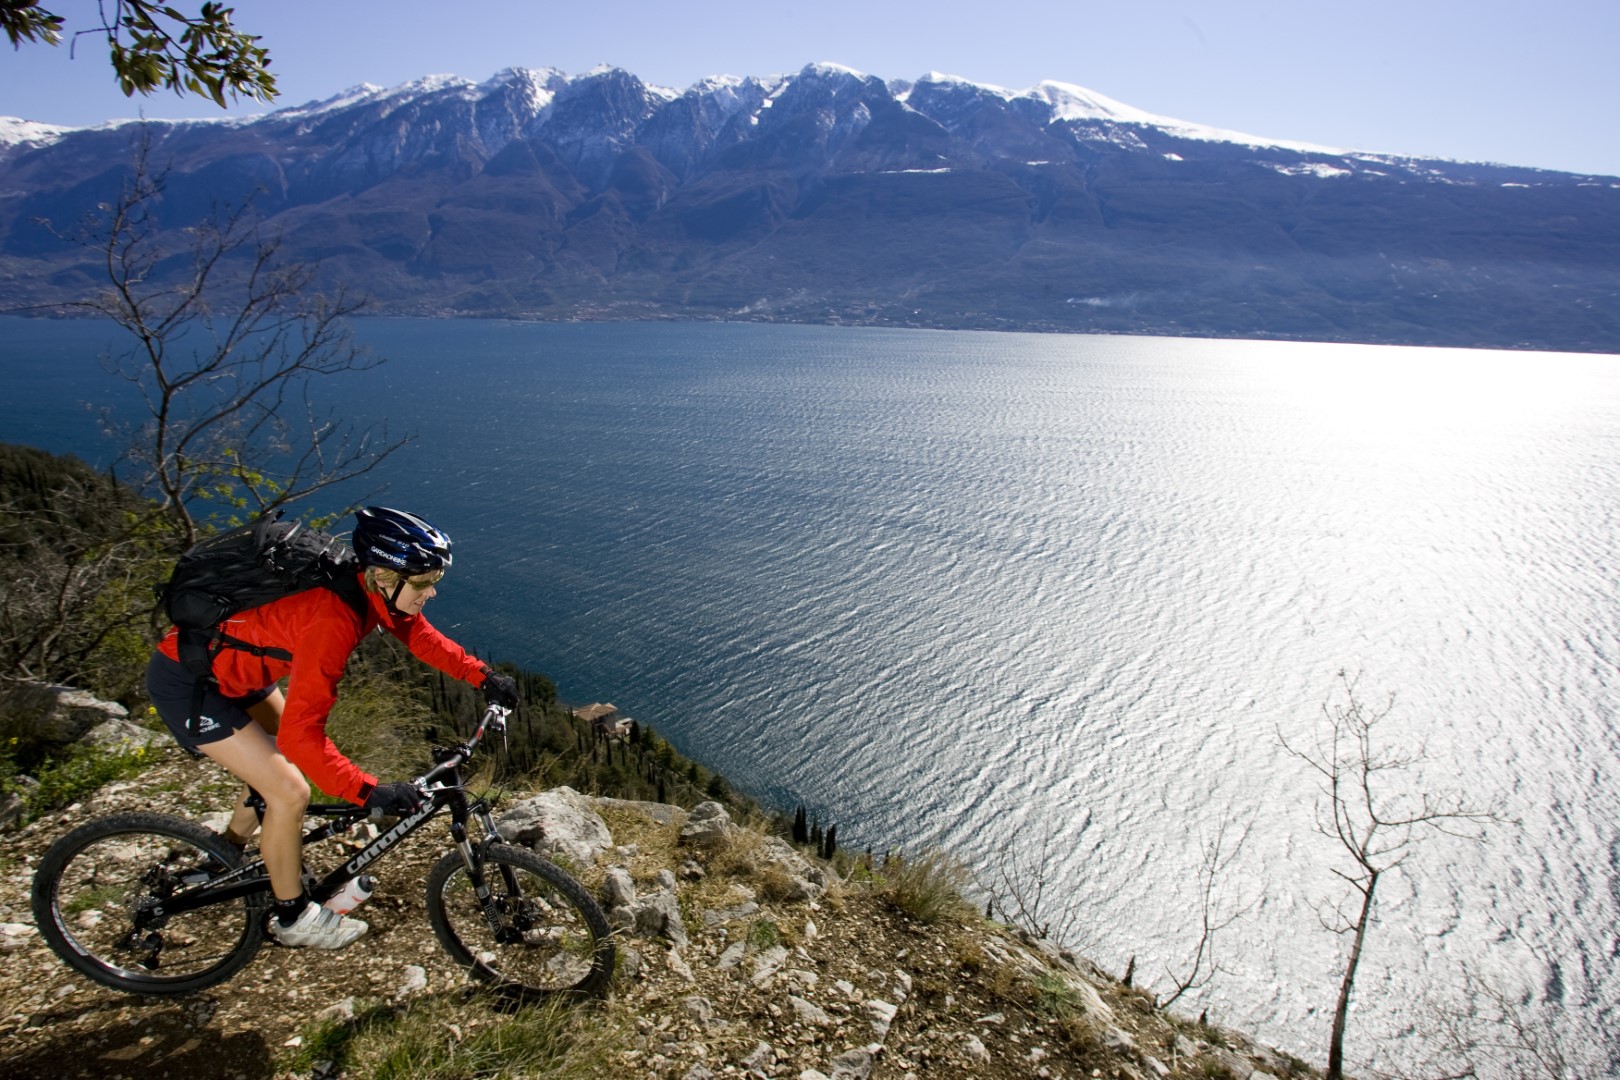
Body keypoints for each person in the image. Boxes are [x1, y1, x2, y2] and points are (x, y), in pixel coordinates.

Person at [145, 506, 520, 949]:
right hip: (190, 685)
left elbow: (415, 633)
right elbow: (302, 739)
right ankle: (292, 918)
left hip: (236, 675)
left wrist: (481, 675)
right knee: (291, 789)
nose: (431, 592)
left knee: (278, 766)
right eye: (422, 582)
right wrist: (369, 792)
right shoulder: (332, 621)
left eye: (433, 580)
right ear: (382, 575)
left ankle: (225, 851)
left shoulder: (363, 587)